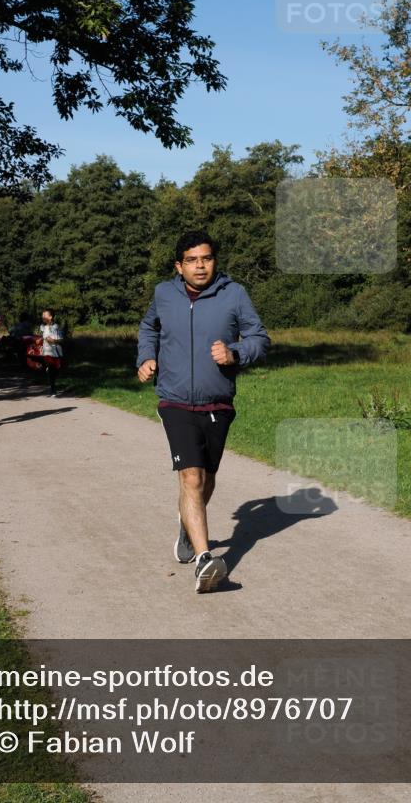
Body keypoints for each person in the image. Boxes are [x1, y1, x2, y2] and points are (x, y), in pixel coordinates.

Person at [137, 230, 270, 593]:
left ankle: (186, 523)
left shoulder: (234, 294)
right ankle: (204, 560)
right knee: (191, 478)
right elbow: (149, 327)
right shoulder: (164, 294)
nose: (200, 266)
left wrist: (235, 353)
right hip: (175, 399)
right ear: (179, 266)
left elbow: (260, 338)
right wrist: (146, 357)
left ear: (215, 261)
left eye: (207, 259)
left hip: (218, 402)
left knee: (206, 480)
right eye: (192, 260)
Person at [37, 308, 63, 397]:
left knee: (57, 369)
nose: (42, 317)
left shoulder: (57, 327)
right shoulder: (43, 327)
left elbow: (61, 339)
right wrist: (41, 339)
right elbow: (45, 337)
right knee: (51, 369)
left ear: (51, 317)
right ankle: (53, 389)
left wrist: (54, 341)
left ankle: (51, 380)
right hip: (48, 352)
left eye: (45, 315)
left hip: (57, 352)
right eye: (42, 315)